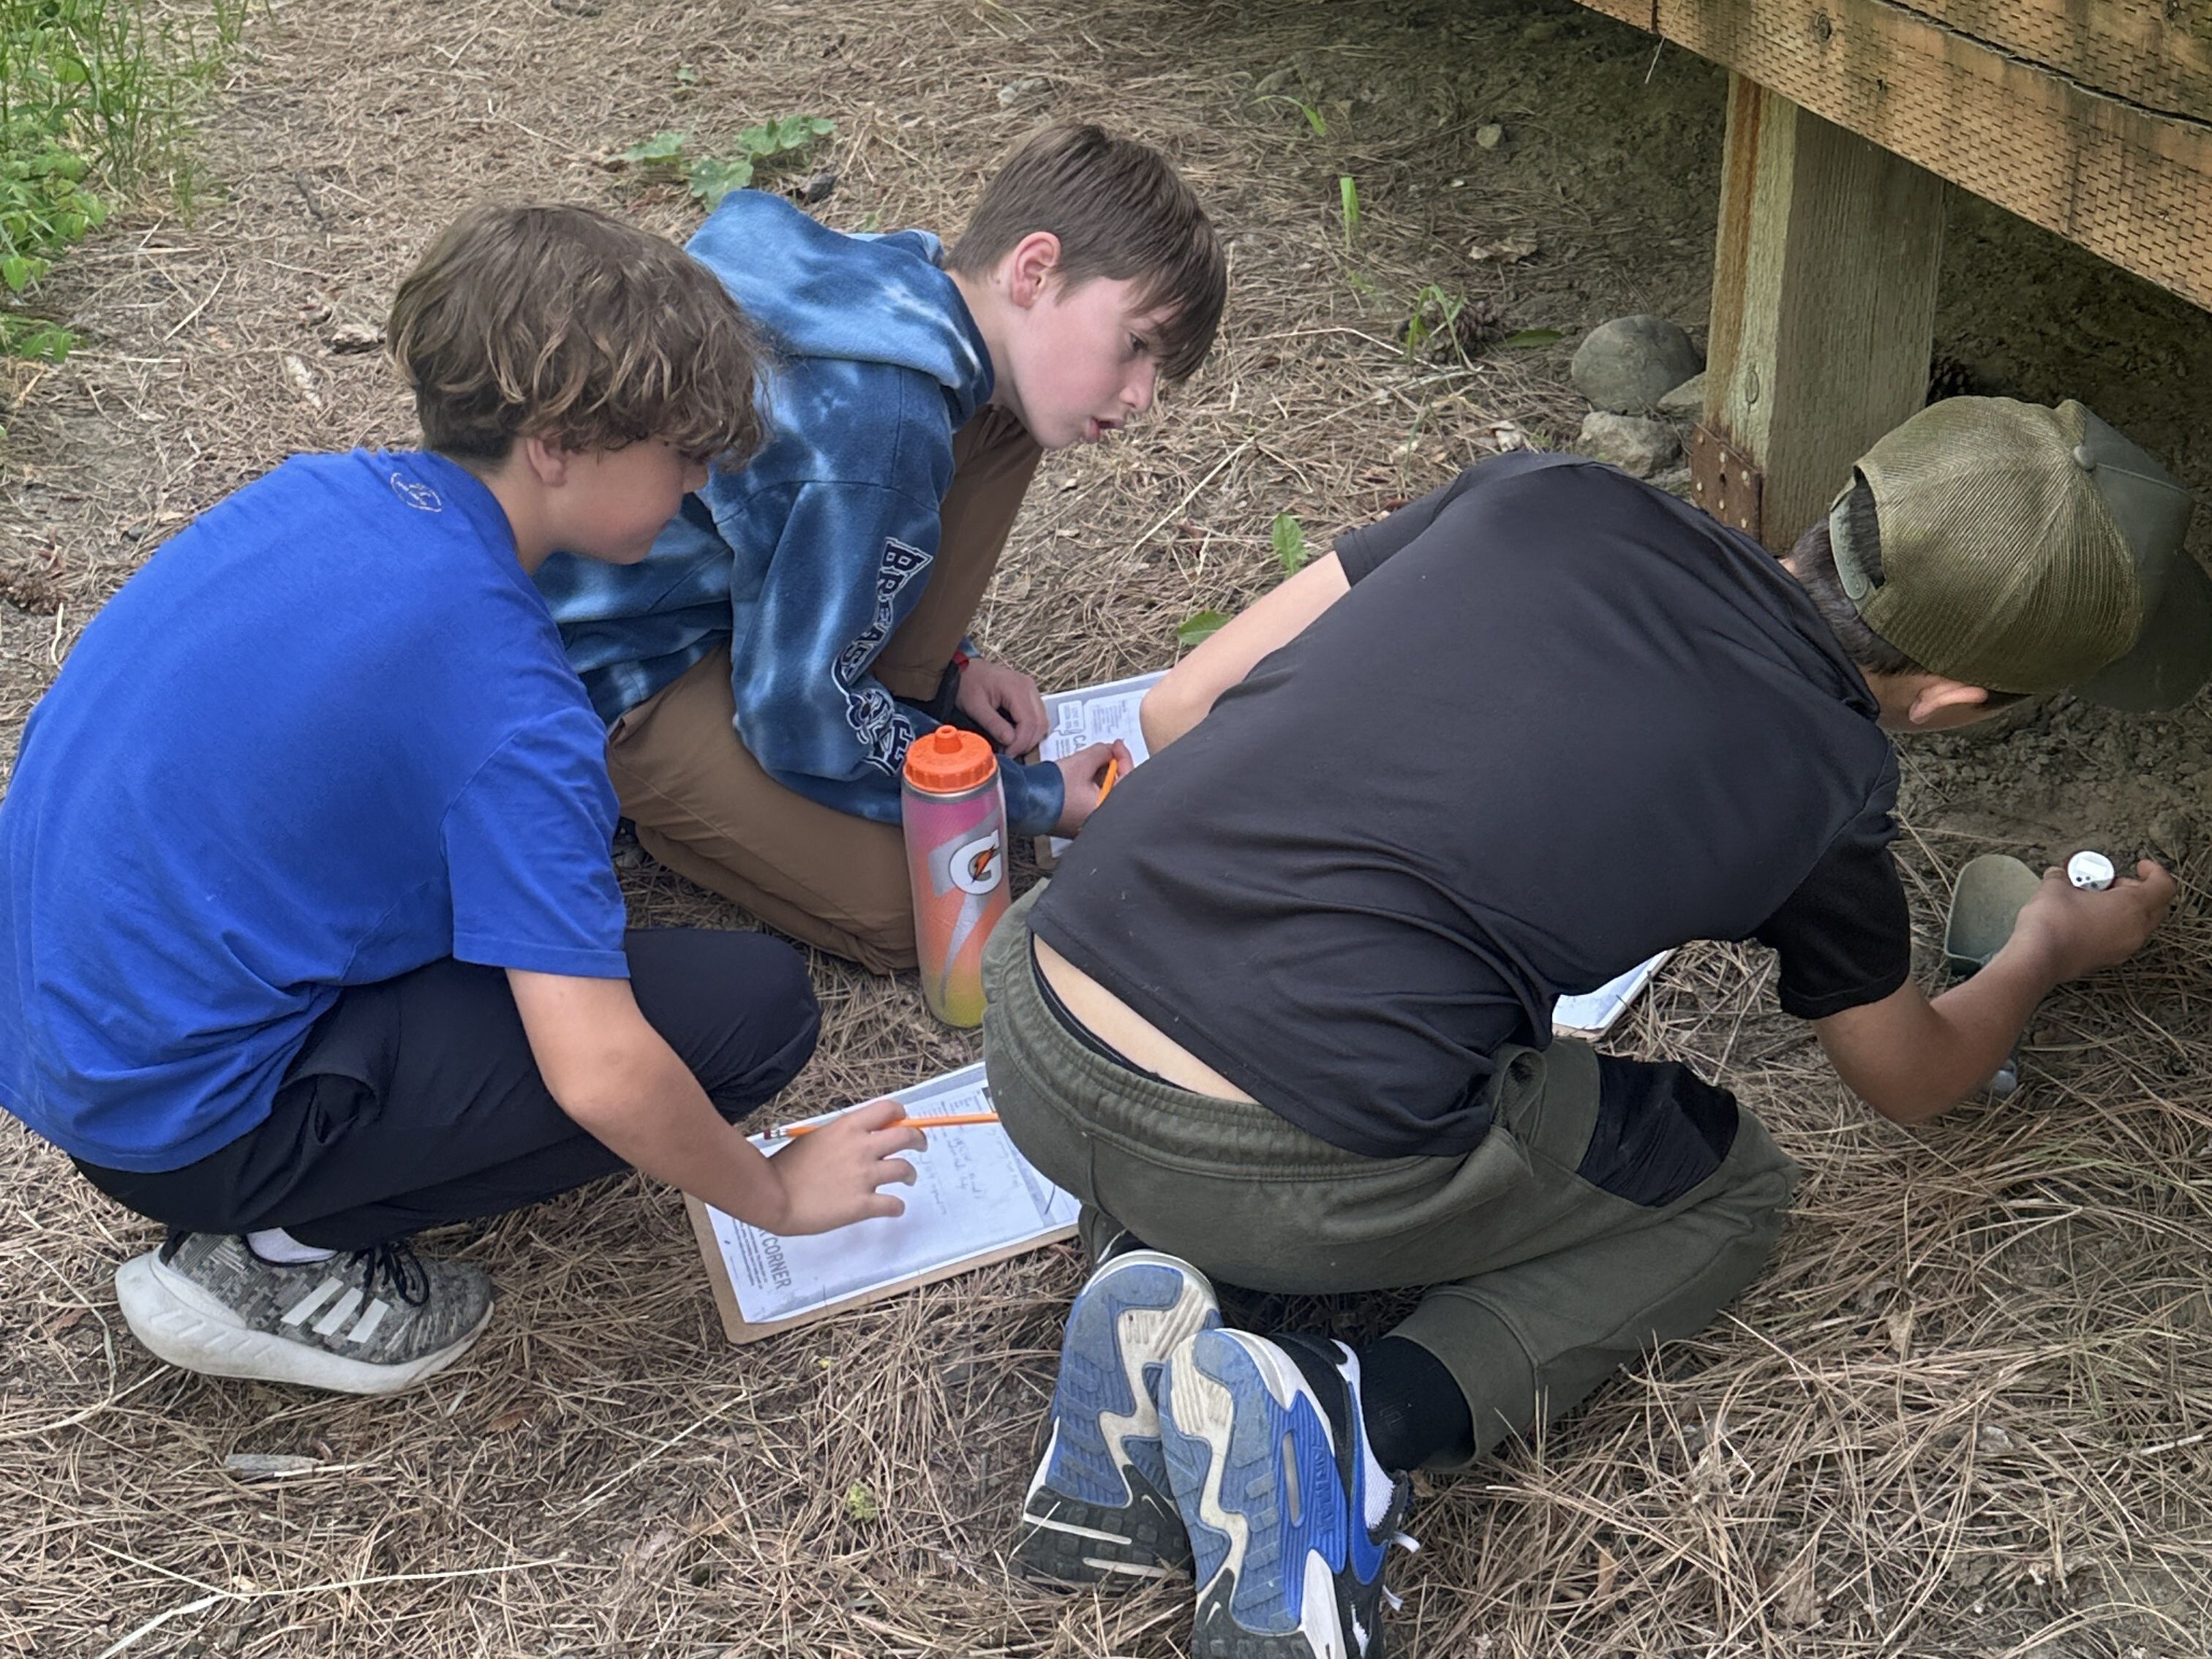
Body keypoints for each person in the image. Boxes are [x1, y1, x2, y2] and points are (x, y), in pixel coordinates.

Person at [984, 397, 2198, 1655]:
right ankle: (1350, 1424)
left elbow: (1181, 709)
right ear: (1946, 700)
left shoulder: (1547, 490)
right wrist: (2047, 943)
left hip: (1041, 1007)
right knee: (1725, 1185)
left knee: (1264, 1089)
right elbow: (1909, 1076)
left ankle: (1156, 1296)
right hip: (1282, 1148)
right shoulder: (1824, 780)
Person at [0, 205, 926, 1397]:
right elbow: (599, 1072)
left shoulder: (323, 492)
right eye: (682, 452)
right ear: (558, 442)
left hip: (58, 1029)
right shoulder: (511, 704)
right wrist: (773, 1191)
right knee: (747, 1011)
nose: (700, 481)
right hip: (180, 1126)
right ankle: (279, 1250)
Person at [535, 124, 1225, 971]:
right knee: (931, 908)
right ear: (1035, 269)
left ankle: (899, 687)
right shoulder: (884, 430)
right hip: (631, 671)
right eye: (1137, 345)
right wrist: (1034, 798)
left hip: (755, 605)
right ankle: (659, 804)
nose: (1143, 397)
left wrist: (959, 666)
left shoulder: (921, 286)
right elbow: (794, 714)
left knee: (1009, 420)